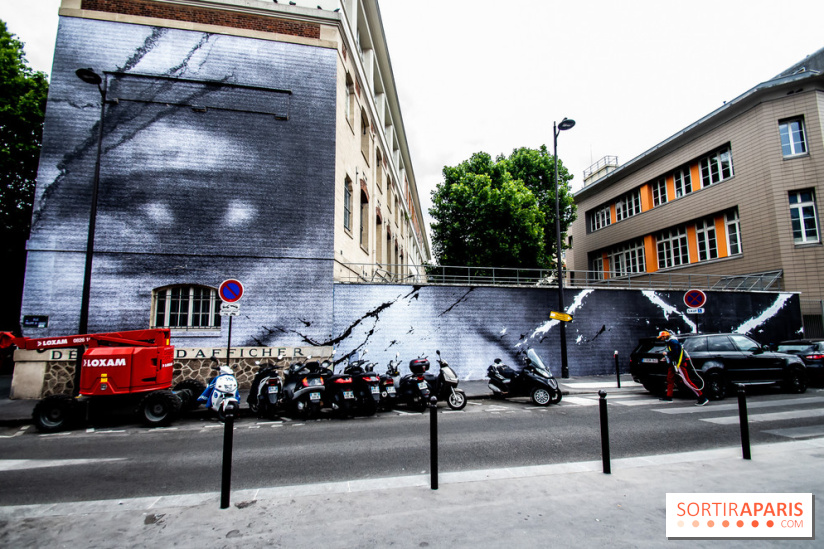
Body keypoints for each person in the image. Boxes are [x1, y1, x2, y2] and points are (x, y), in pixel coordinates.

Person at [657, 331, 708, 406]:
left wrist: (667, 354)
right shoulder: (670, 342)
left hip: (679, 364)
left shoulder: (673, 342)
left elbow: (676, 353)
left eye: (661, 337)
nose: (661, 339)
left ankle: (702, 397)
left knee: (687, 381)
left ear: (665, 336)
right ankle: (669, 396)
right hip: (674, 363)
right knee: (670, 379)